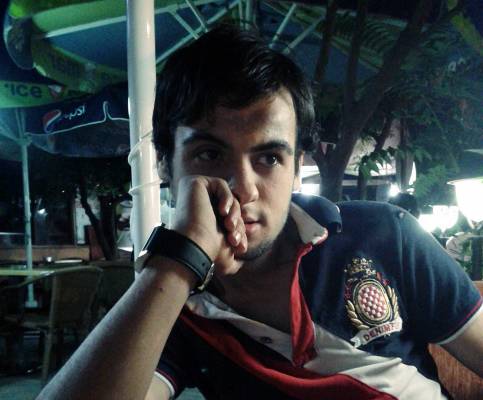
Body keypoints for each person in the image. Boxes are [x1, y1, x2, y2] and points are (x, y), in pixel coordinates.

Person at [37, 24, 482, 400]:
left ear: (297, 168)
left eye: (269, 158)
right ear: (165, 165)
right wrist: (178, 262)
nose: (243, 188)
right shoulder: (172, 303)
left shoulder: (385, 234)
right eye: (210, 154)